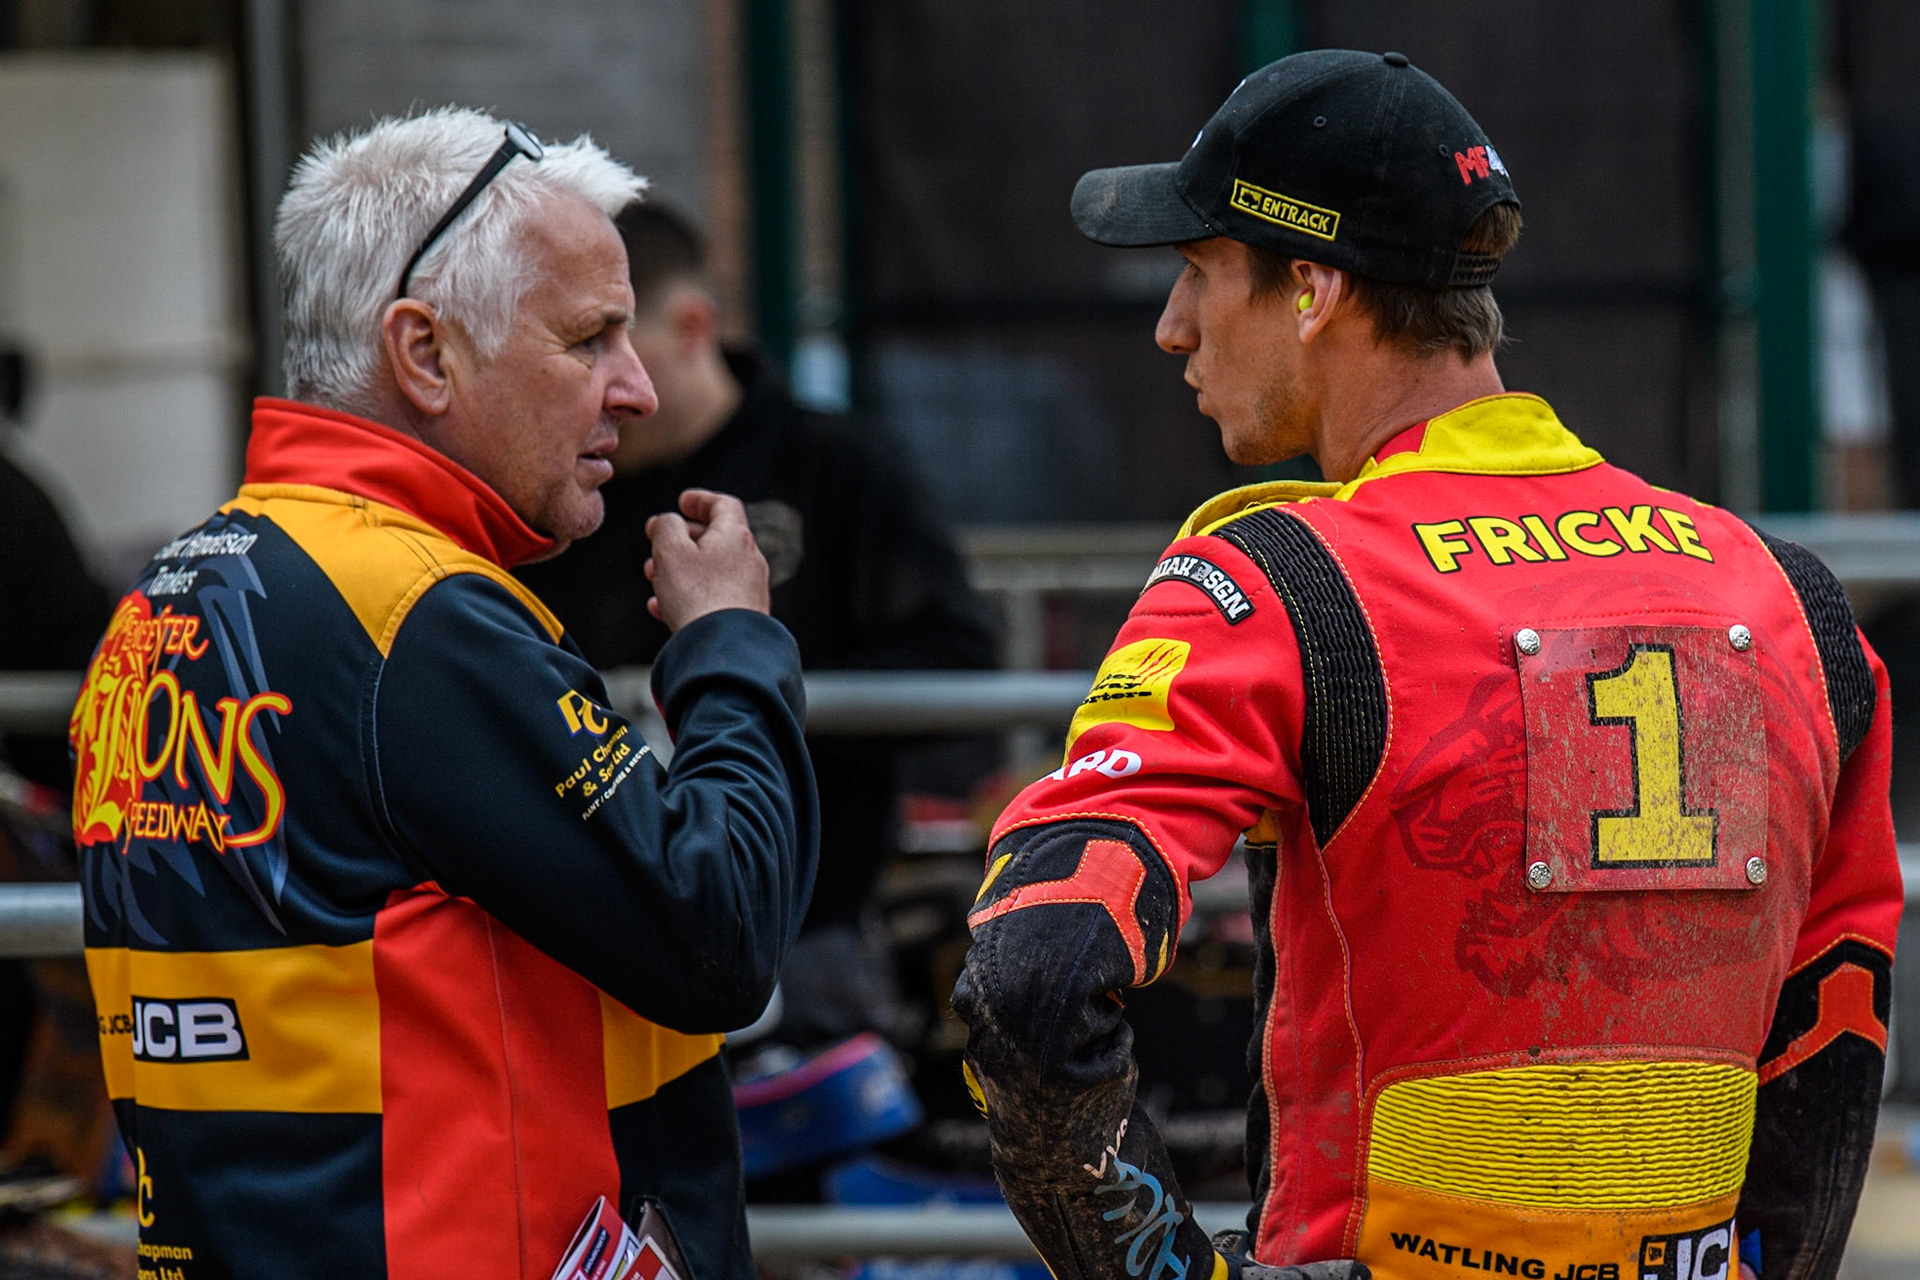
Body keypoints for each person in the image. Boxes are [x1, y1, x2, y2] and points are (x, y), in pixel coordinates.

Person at [952, 49, 1901, 1280]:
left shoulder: (1270, 583)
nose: (1170, 326)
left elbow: (1032, 978)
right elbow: (1832, 1029)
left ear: (1310, 286)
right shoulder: (1788, 598)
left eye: (1196, 272)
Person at [68, 109, 817, 1280]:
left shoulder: (171, 596)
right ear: (424, 354)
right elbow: (718, 926)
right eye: (589, 339)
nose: (637, 391)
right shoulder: (411, 612)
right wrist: (732, 644)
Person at [520, 203, 996, 1048]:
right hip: (591, 932)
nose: (607, 386)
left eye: (610, 342)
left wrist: (749, 692)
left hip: (810, 926)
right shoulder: (556, 487)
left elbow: (955, 661)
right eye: (576, 348)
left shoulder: (837, 467)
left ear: (692, 326)